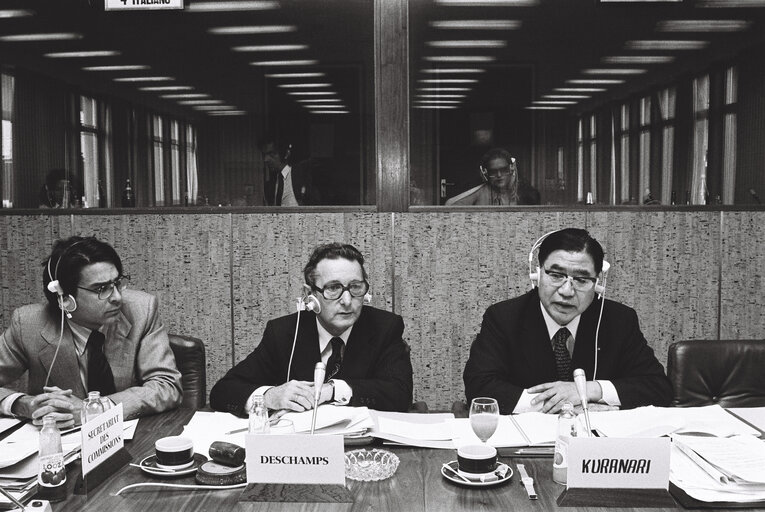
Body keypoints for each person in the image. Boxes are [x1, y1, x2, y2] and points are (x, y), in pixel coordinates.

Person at [463, 228, 672, 415]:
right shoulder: (504, 317)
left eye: (581, 280)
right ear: (537, 275)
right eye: (556, 275)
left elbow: (657, 387)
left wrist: (589, 390)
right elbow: (479, 387)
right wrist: (567, 407)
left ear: (598, 284)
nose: (566, 291)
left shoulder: (618, 320)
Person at [210, 242, 413, 417]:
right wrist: (270, 396)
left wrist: (332, 390)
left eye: (355, 287)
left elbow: (400, 394)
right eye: (333, 288)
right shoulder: (283, 332)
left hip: (361, 449)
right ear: (311, 295)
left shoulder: (385, 327)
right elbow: (223, 391)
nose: (347, 301)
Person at [0, 236, 182, 427]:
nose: (117, 297)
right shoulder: (29, 324)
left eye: (117, 283)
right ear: (65, 299)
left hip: (132, 440)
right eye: (102, 288)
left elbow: (167, 386)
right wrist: (22, 404)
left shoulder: (142, 310)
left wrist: (96, 410)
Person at [445, 148, 540, 206]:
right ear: (485, 173)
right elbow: (449, 205)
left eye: (503, 170)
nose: (499, 175)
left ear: (511, 169)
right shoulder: (481, 192)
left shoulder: (523, 191)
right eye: (493, 172)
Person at [261, 137, 318, 206]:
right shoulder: (270, 184)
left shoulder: (301, 175)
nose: (266, 159)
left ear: (286, 154)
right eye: (264, 155)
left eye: (272, 154)